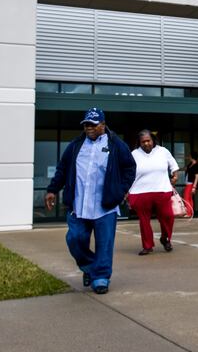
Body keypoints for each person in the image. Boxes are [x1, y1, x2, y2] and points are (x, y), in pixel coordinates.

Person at [45, 107, 136, 295]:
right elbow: (62, 169)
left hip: (105, 207)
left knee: (104, 245)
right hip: (78, 206)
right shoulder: (76, 145)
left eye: (93, 124)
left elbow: (129, 168)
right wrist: (52, 189)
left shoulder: (116, 145)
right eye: (86, 124)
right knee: (74, 239)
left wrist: (120, 191)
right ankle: (89, 267)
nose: (89, 128)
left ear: (103, 125)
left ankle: (101, 277)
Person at [127, 130, 180, 255]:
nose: (146, 143)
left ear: (153, 140)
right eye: (143, 142)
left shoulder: (163, 151)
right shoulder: (134, 154)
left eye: (148, 141)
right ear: (139, 143)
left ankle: (165, 238)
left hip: (162, 190)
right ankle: (147, 246)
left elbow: (173, 165)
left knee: (168, 216)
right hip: (140, 191)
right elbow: (128, 173)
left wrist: (175, 176)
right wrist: (127, 191)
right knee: (144, 220)